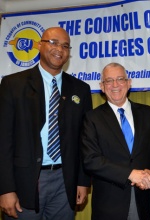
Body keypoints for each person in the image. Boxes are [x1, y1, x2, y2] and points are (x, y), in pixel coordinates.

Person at [0, 27, 92, 219]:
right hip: (24, 181)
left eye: (65, 45)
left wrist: (83, 181)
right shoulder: (13, 85)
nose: (60, 48)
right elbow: (3, 140)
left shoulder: (81, 90)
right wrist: (5, 189)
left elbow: (85, 141)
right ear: (40, 46)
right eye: (53, 42)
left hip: (64, 182)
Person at [81, 62, 150, 220]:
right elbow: (90, 160)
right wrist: (129, 174)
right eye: (109, 80)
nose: (115, 85)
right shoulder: (92, 118)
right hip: (109, 207)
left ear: (129, 83)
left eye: (120, 79)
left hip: (145, 203)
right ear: (102, 86)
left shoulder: (149, 114)